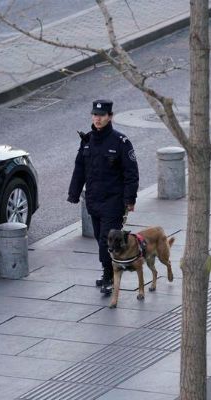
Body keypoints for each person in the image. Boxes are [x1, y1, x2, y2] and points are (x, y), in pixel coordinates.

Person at [67, 100, 139, 295]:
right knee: (102, 239)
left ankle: (109, 276)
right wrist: (73, 193)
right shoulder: (88, 140)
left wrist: (129, 200)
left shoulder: (120, 142)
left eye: (101, 115)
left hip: (113, 202)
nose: (97, 118)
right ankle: (108, 270)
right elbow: (79, 168)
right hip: (94, 201)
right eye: (95, 115)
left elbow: (131, 173)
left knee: (105, 240)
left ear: (110, 116)